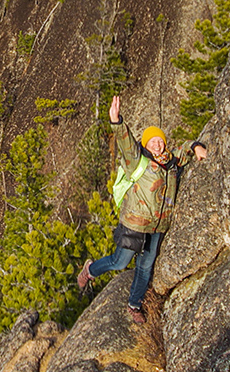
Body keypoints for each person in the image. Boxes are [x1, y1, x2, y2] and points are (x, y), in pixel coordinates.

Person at [76, 94, 208, 323]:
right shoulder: (137, 160)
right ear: (145, 144)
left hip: (158, 226)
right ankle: (90, 269)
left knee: (145, 266)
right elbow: (126, 143)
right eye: (151, 141)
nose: (156, 144)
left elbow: (185, 148)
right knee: (120, 262)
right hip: (135, 223)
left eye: (159, 140)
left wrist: (197, 147)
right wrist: (117, 122)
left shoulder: (171, 160)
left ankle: (134, 304)